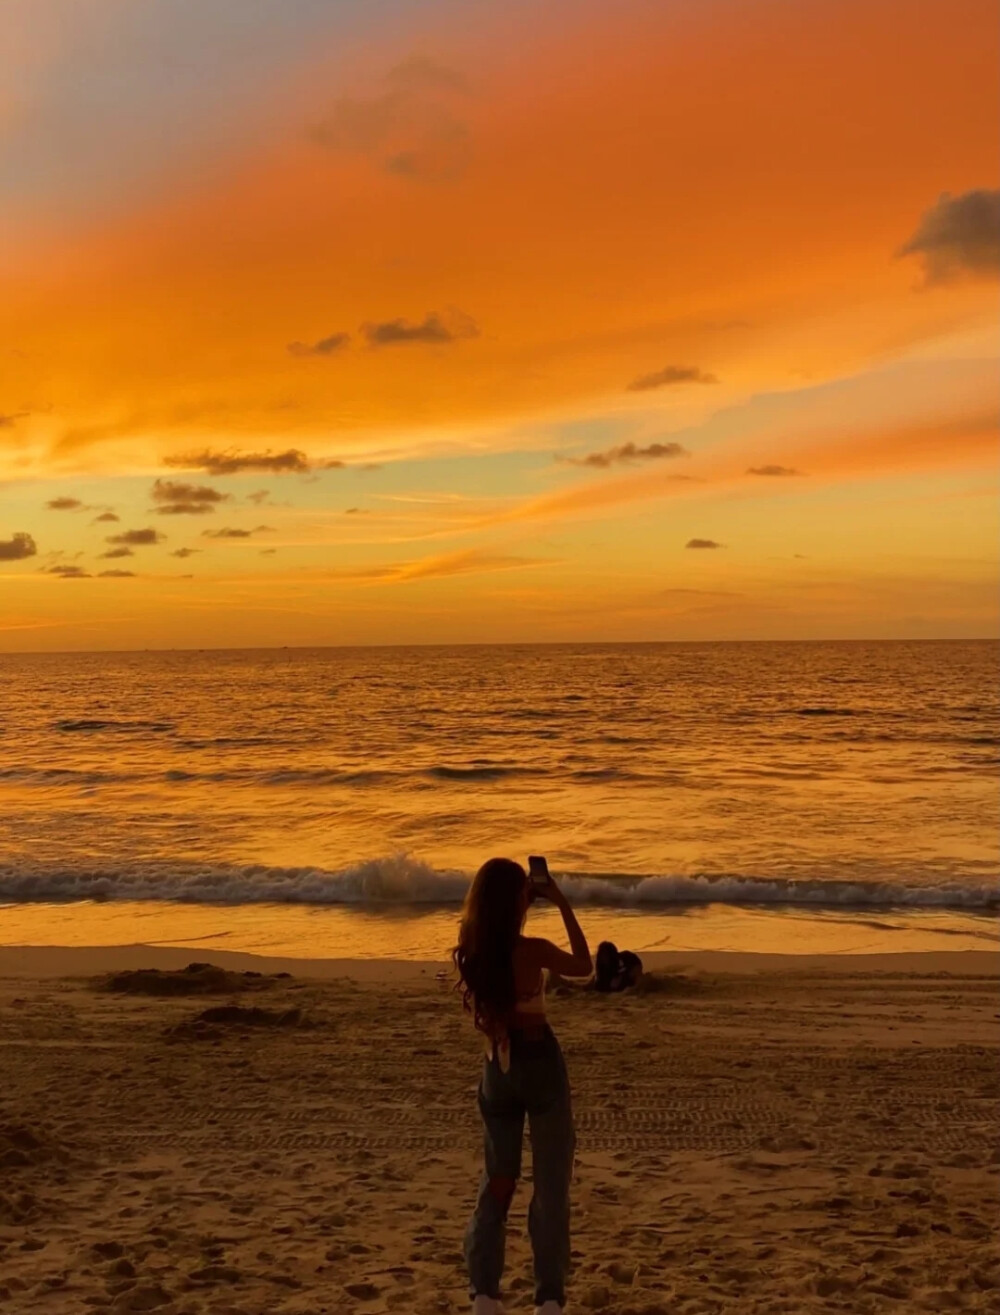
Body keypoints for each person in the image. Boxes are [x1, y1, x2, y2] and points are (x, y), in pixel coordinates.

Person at [453, 857, 592, 1315]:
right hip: (538, 1062)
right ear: (519, 901)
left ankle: (485, 1295)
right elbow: (583, 963)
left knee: (498, 1179)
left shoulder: (474, 951)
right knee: (550, 1185)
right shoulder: (530, 951)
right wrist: (557, 898)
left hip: (498, 1067)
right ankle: (548, 1299)